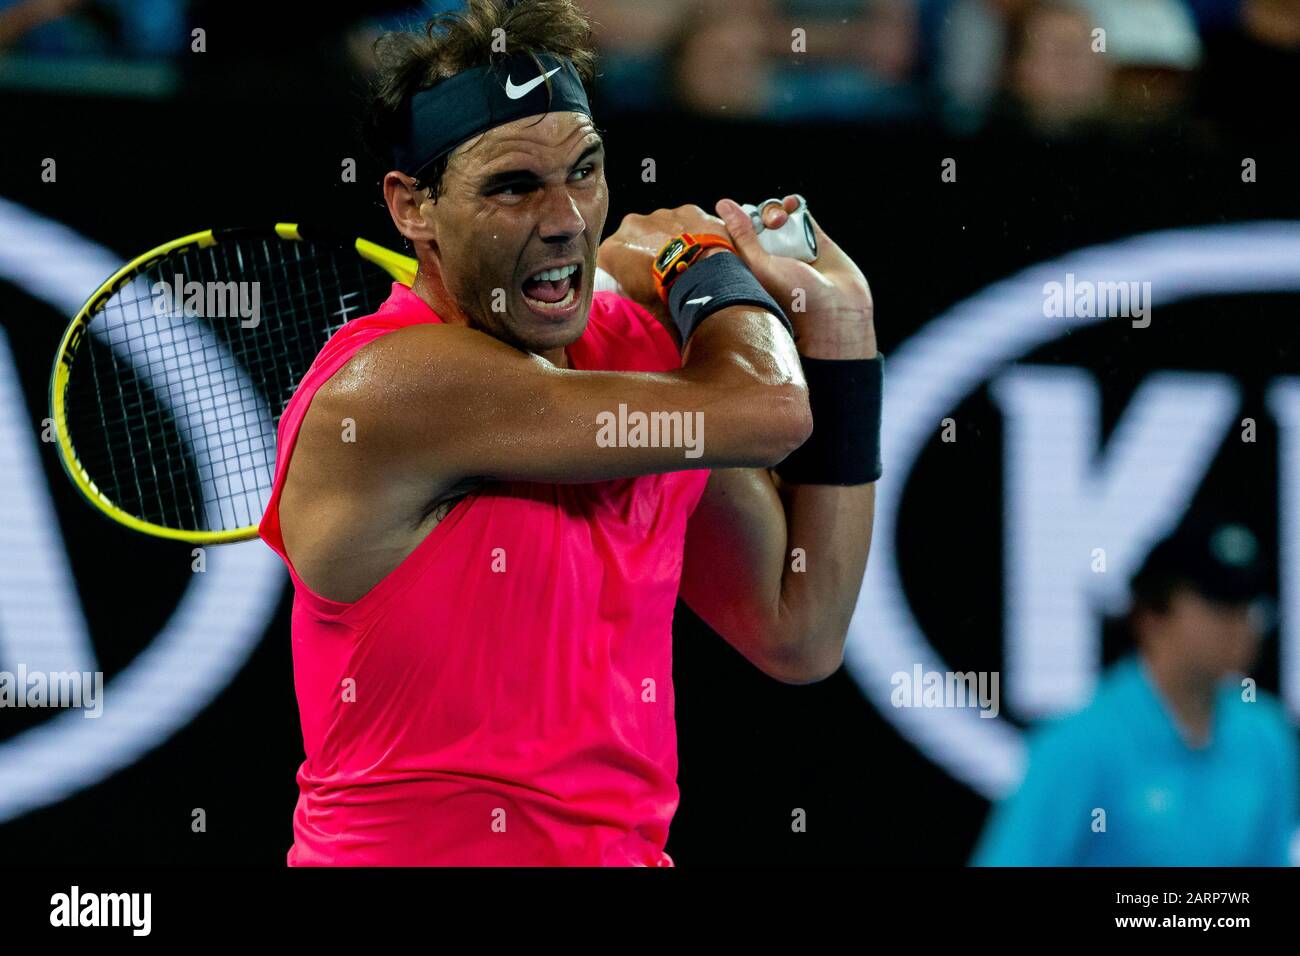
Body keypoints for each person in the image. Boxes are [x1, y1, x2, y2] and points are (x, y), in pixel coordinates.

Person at [257, 0, 882, 866]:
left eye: (584, 173)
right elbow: (769, 410)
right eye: (514, 187)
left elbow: (800, 630)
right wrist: (700, 266)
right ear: (413, 207)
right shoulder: (397, 386)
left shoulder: (638, 357)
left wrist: (845, 335)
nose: (565, 220)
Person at [972, 517, 1298, 866]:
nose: (1241, 623)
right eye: (1219, 605)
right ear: (1152, 616)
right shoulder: (1078, 744)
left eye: (1251, 606)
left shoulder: (1267, 738)